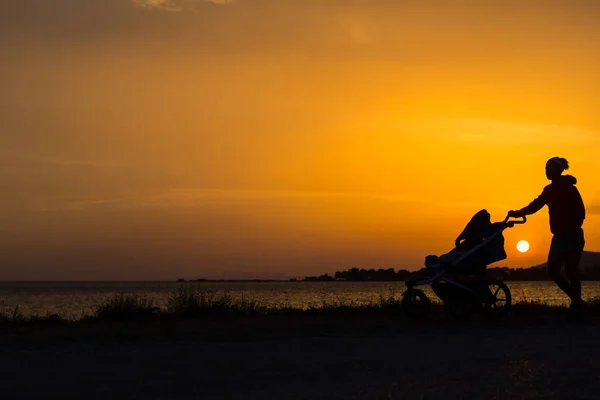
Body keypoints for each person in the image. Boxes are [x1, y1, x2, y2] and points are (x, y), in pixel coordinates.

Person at [508, 157, 586, 311]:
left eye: (549, 168)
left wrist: (572, 229)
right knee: (553, 271)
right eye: (546, 168)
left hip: (572, 236)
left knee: (571, 271)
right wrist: (518, 213)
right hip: (558, 238)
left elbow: (581, 212)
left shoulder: (570, 188)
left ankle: (577, 305)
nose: (547, 171)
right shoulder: (548, 190)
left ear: (558, 170)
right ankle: (577, 301)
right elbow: (535, 205)